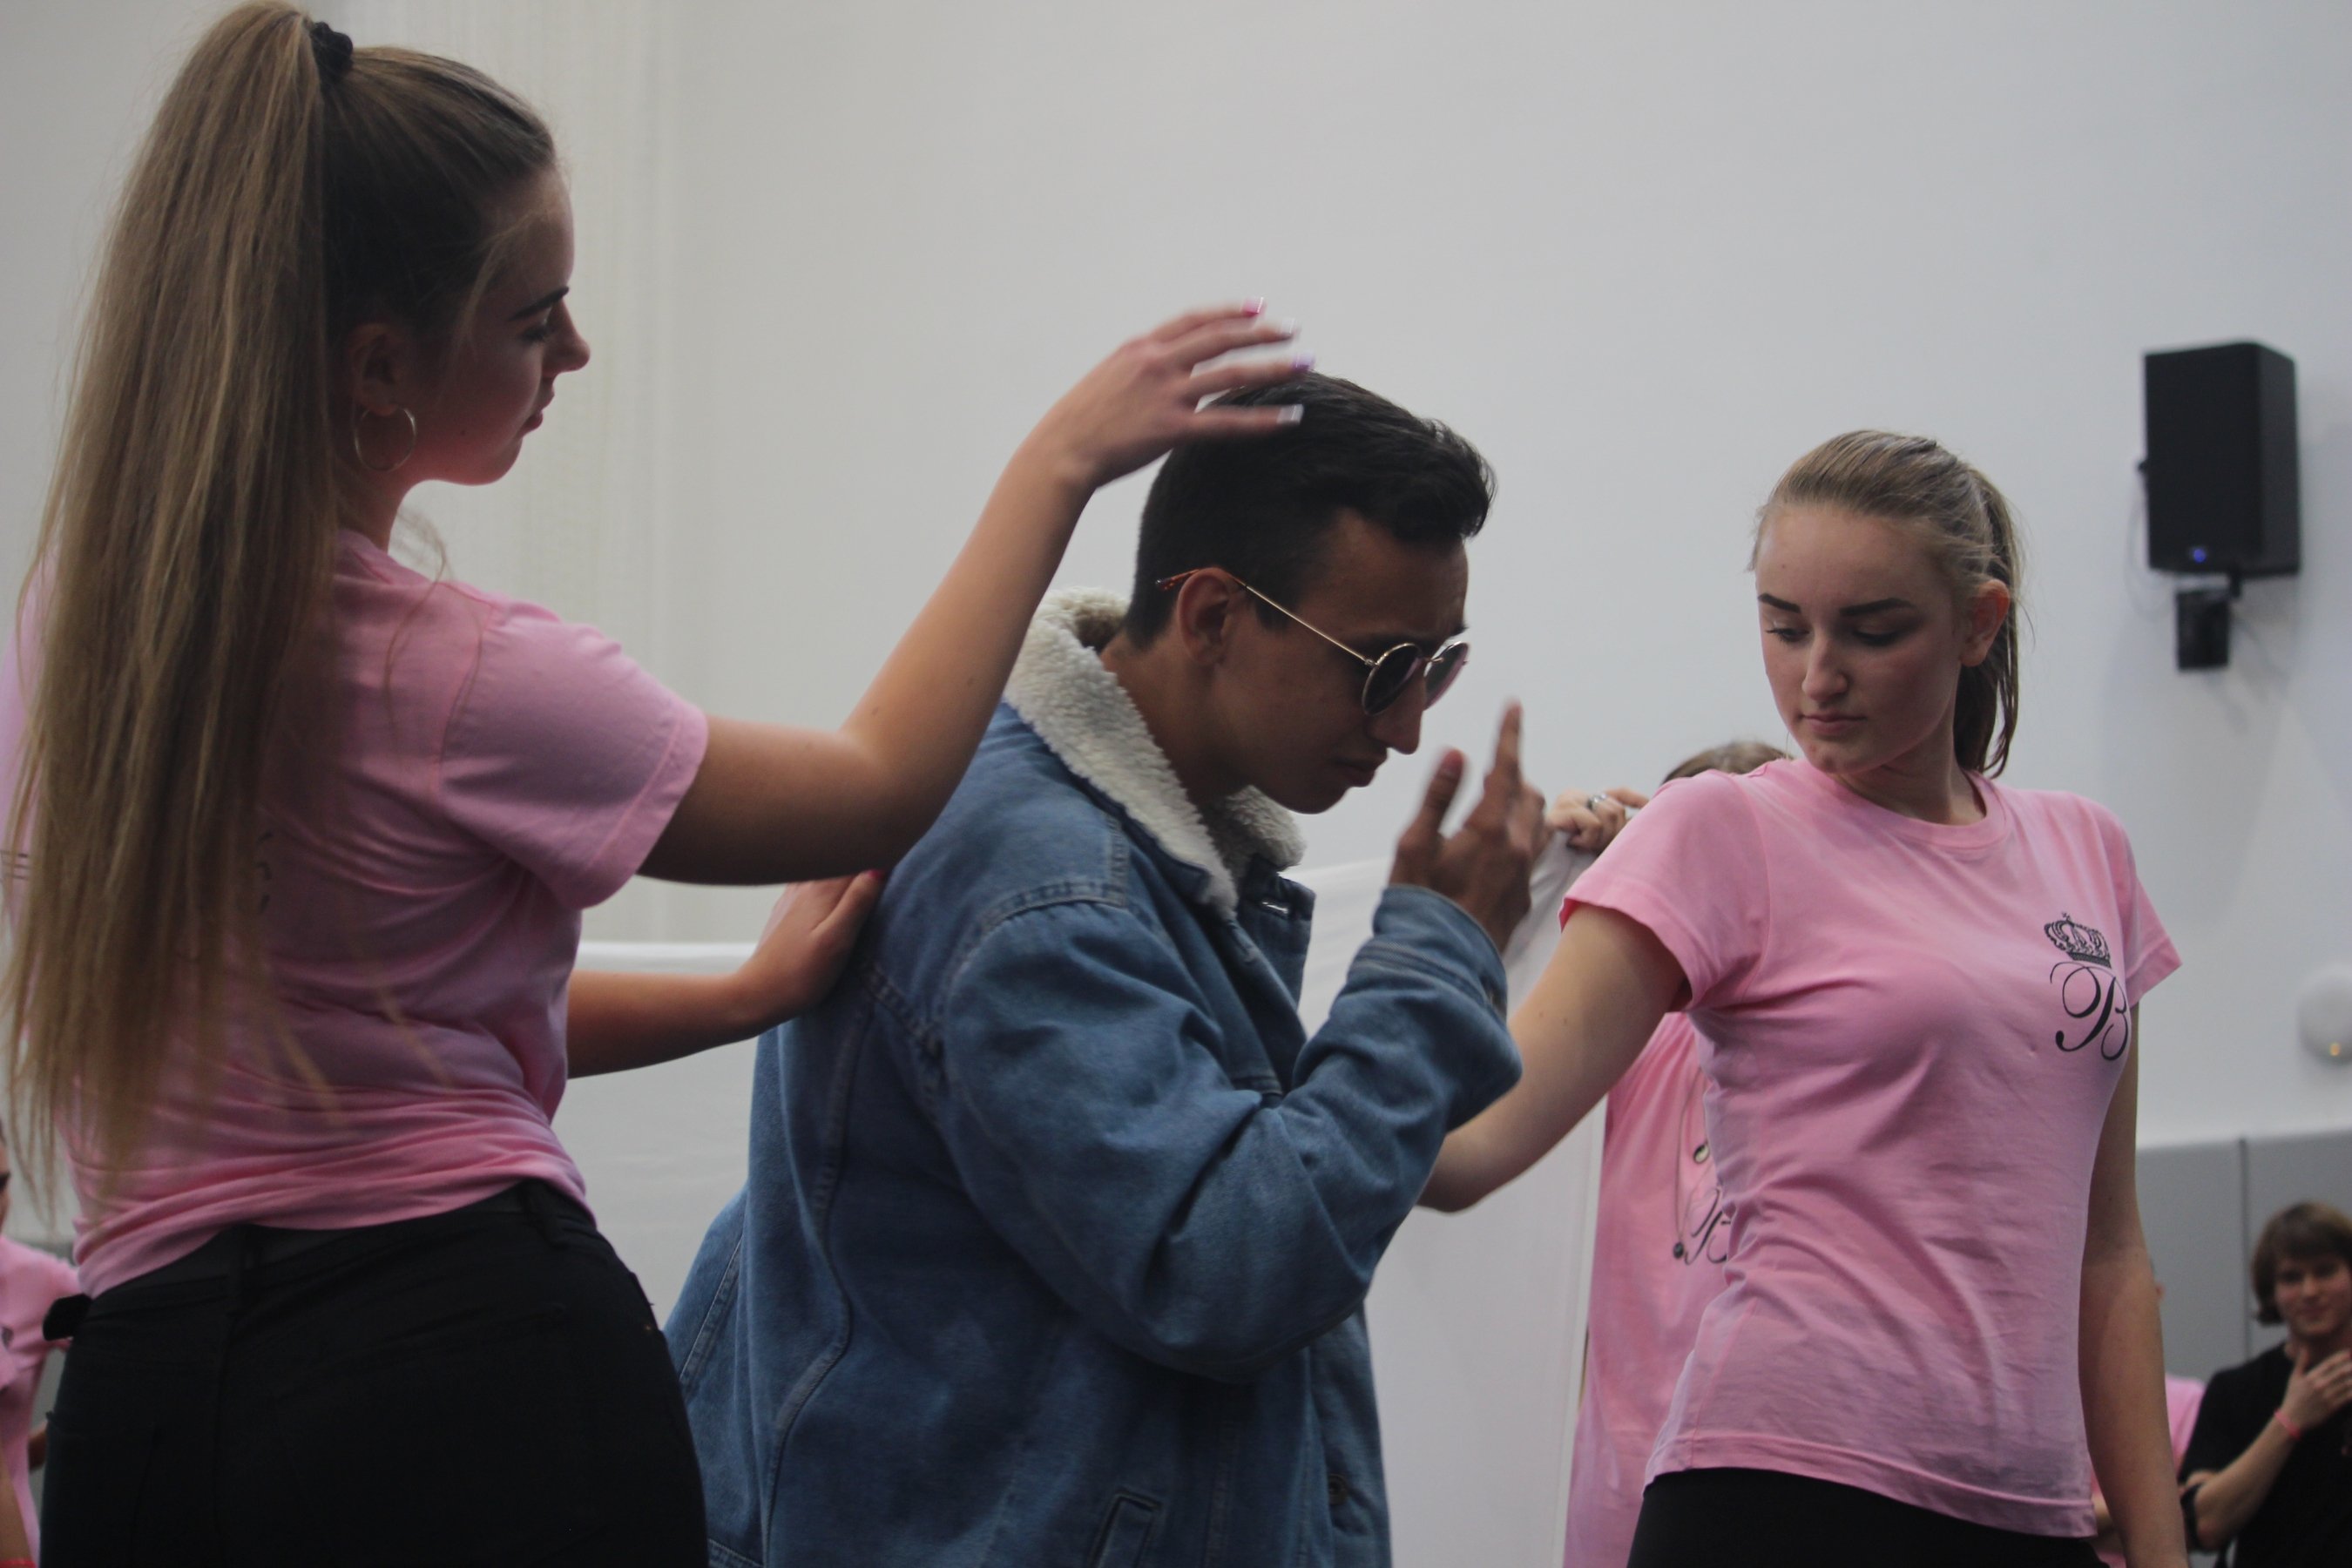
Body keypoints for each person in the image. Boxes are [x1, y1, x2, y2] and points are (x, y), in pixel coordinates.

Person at [2, 5, 1305, 1561]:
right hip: (449, 1376)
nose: (574, 353)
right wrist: (1057, 464)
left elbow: (389, 1023)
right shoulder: (455, 675)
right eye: (535, 317)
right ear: (379, 365)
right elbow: (873, 788)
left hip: (145, 1408)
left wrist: (744, 997)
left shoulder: (83, 642)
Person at [666, 374, 1543, 1567]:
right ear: (1214, 616)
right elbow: (1232, 1273)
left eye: (1439, 667)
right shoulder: (1035, 894)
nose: (1407, 726)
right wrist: (1434, 955)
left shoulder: (1130, 847)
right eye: (1382, 666)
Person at [1423, 430, 2189, 1568]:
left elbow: (2109, 1256)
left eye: (1872, 631)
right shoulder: (1724, 828)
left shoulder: (2088, 852)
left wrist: (2164, 1553)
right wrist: (1425, 956)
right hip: (1783, 1488)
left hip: (2028, 1509)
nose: (1817, 677)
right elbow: (1473, 1146)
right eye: (1785, 627)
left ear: (1978, 624)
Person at [1547, 742, 1787, 1568]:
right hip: (1623, 1505)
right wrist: (1577, 863)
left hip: (1787, 1495)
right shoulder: (1632, 1031)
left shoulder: (1836, 1035)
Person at [2177, 1200, 2352, 1565]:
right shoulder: (2235, 1391)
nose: (2310, 1291)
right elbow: (2202, 1526)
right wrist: (2289, 1421)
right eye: (2291, 1278)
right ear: (2271, 1290)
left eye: (2325, 1271)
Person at [0, 1142, 71, 1565]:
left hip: (11, 1541)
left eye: (1, 1185)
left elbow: (133, 1353)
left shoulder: (40, 1279)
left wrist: (49, 1439)